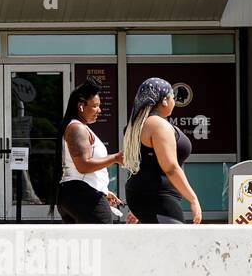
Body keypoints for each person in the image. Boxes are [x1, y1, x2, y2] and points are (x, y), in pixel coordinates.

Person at [121, 77, 202, 224]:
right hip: (158, 197)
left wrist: (140, 206)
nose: (174, 102)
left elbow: (145, 163)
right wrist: (193, 199)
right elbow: (170, 167)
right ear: (164, 100)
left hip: (145, 195)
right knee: (176, 244)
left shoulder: (136, 124)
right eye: (172, 97)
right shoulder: (157, 125)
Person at [54, 79, 124, 223]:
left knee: (83, 245)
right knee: (103, 243)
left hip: (76, 195)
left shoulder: (78, 127)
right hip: (82, 195)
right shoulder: (76, 128)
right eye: (95, 106)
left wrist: (104, 191)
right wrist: (116, 157)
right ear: (81, 106)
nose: (99, 110)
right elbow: (83, 166)